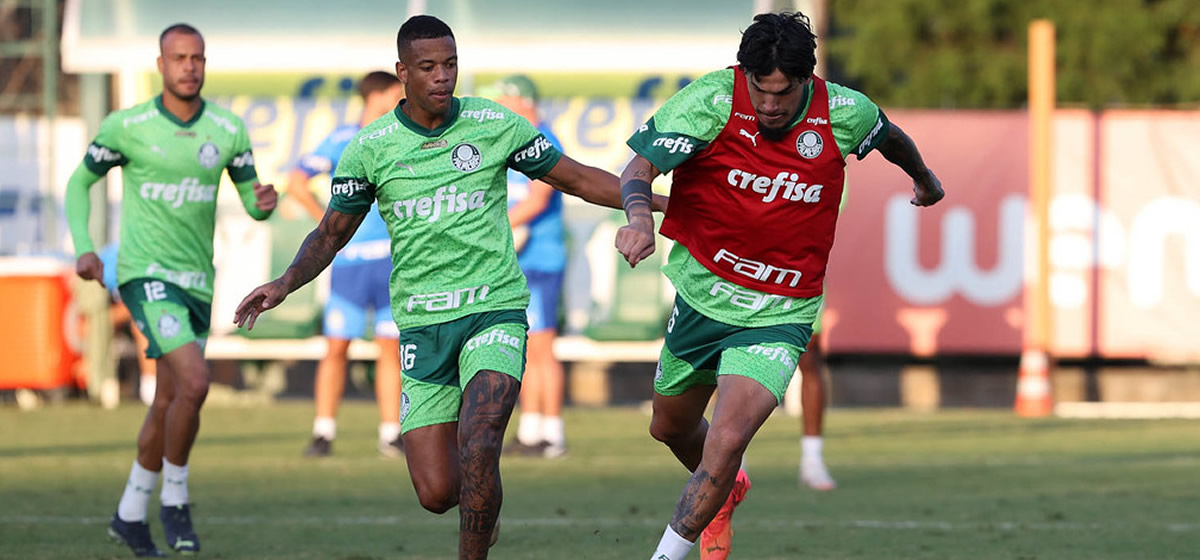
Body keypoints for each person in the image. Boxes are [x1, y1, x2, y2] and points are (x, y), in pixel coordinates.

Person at [233, 15, 665, 559]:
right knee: (438, 492)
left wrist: (651, 202)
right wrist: (285, 282)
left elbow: (575, 177)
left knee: (481, 442)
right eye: (428, 67)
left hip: (494, 310)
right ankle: (482, 517)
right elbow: (330, 233)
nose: (442, 77)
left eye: (451, 64)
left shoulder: (493, 124)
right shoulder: (370, 149)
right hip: (422, 322)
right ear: (402, 72)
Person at [614, 12, 944, 560]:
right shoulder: (714, 98)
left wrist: (925, 178)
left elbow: (890, 136)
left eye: (782, 94)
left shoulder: (842, 110)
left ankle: (672, 547)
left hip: (781, 308)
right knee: (669, 426)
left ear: (806, 82)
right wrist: (639, 218)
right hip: (703, 295)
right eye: (759, 91)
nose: (769, 105)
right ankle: (725, 487)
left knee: (725, 442)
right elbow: (640, 166)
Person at [65, 23, 276, 558]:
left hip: (197, 282)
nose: (189, 67)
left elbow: (252, 200)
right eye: (179, 58)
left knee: (169, 402)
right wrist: (86, 246)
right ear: (161, 64)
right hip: (145, 274)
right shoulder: (128, 125)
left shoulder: (227, 130)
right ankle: (175, 502)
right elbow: (79, 182)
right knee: (197, 381)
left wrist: (263, 202)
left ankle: (129, 514)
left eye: (197, 58)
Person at [286, 71, 407, 458]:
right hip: (350, 263)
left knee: (390, 349)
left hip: (391, 261)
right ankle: (323, 432)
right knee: (337, 347)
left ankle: (391, 433)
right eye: (398, 92)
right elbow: (296, 181)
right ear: (381, 95)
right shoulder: (343, 140)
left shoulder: (401, 135)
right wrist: (327, 223)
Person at [486, 75, 569, 458]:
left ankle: (552, 433)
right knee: (525, 347)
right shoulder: (513, 140)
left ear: (521, 100)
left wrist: (493, 232)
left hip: (540, 260)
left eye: (504, 97)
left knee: (543, 347)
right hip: (518, 260)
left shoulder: (546, 139)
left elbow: (537, 201)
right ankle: (531, 429)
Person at [98, 243, 158, 406]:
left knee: (141, 324)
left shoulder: (155, 255)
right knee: (94, 325)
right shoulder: (110, 257)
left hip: (145, 313)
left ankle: (150, 387)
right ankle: (99, 383)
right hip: (116, 315)